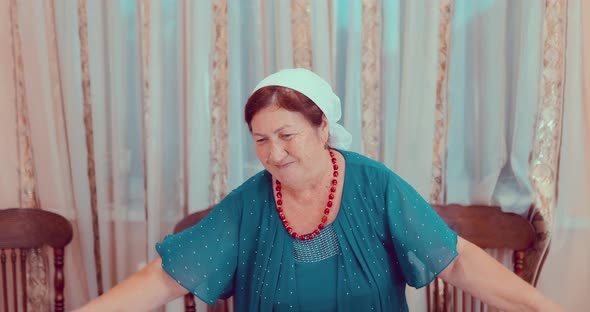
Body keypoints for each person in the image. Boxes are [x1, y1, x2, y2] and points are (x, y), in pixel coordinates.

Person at [76, 68, 562, 311]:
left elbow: (455, 260)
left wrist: (545, 308)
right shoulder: (250, 202)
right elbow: (165, 277)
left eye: (287, 135)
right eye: (261, 140)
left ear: (322, 128)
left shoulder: (374, 186)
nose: (274, 153)